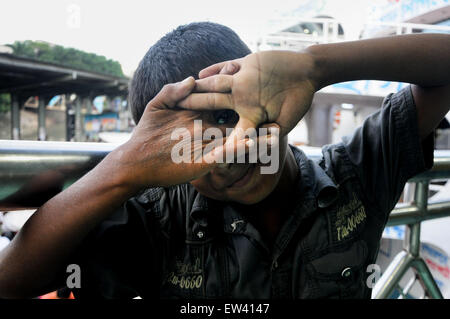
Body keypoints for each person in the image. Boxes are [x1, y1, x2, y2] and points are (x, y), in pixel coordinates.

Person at [0, 22, 449, 299]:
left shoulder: (356, 171)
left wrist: (316, 66)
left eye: (227, 115)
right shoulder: (157, 221)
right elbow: (13, 282)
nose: (226, 154)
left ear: (272, 96)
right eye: (190, 143)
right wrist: (123, 170)